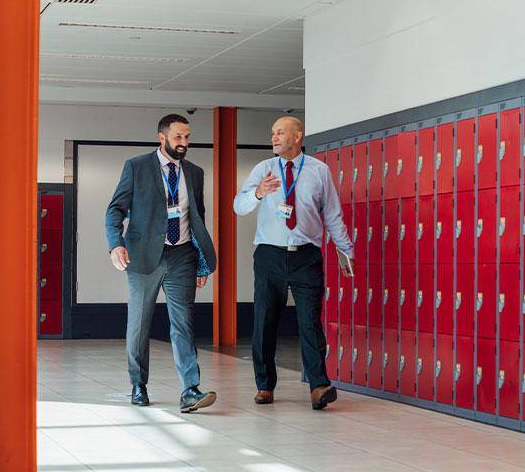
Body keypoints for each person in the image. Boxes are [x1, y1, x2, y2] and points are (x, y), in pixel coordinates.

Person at [233, 116, 354, 410]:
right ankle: (264, 385)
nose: (274, 137)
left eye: (280, 132)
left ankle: (318, 386)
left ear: (297, 135)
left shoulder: (319, 171)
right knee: (264, 321)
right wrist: (259, 192)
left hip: (306, 255)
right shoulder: (264, 169)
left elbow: (332, 215)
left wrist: (345, 250)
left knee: (310, 322)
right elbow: (239, 206)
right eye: (272, 132)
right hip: (269, 255)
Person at [105, 113, 217, 413]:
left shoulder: (194, 172)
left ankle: (190, 389)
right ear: (162, 137)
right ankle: (138, 384)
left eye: (187, 137)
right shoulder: (137, 167)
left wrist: (201, 262)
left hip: (182, 256)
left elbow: (198, 219)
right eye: (178, 136)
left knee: (184, 324)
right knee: (139, 323)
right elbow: (115, 210)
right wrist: (116, 244)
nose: (184, 143)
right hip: (143, 257)